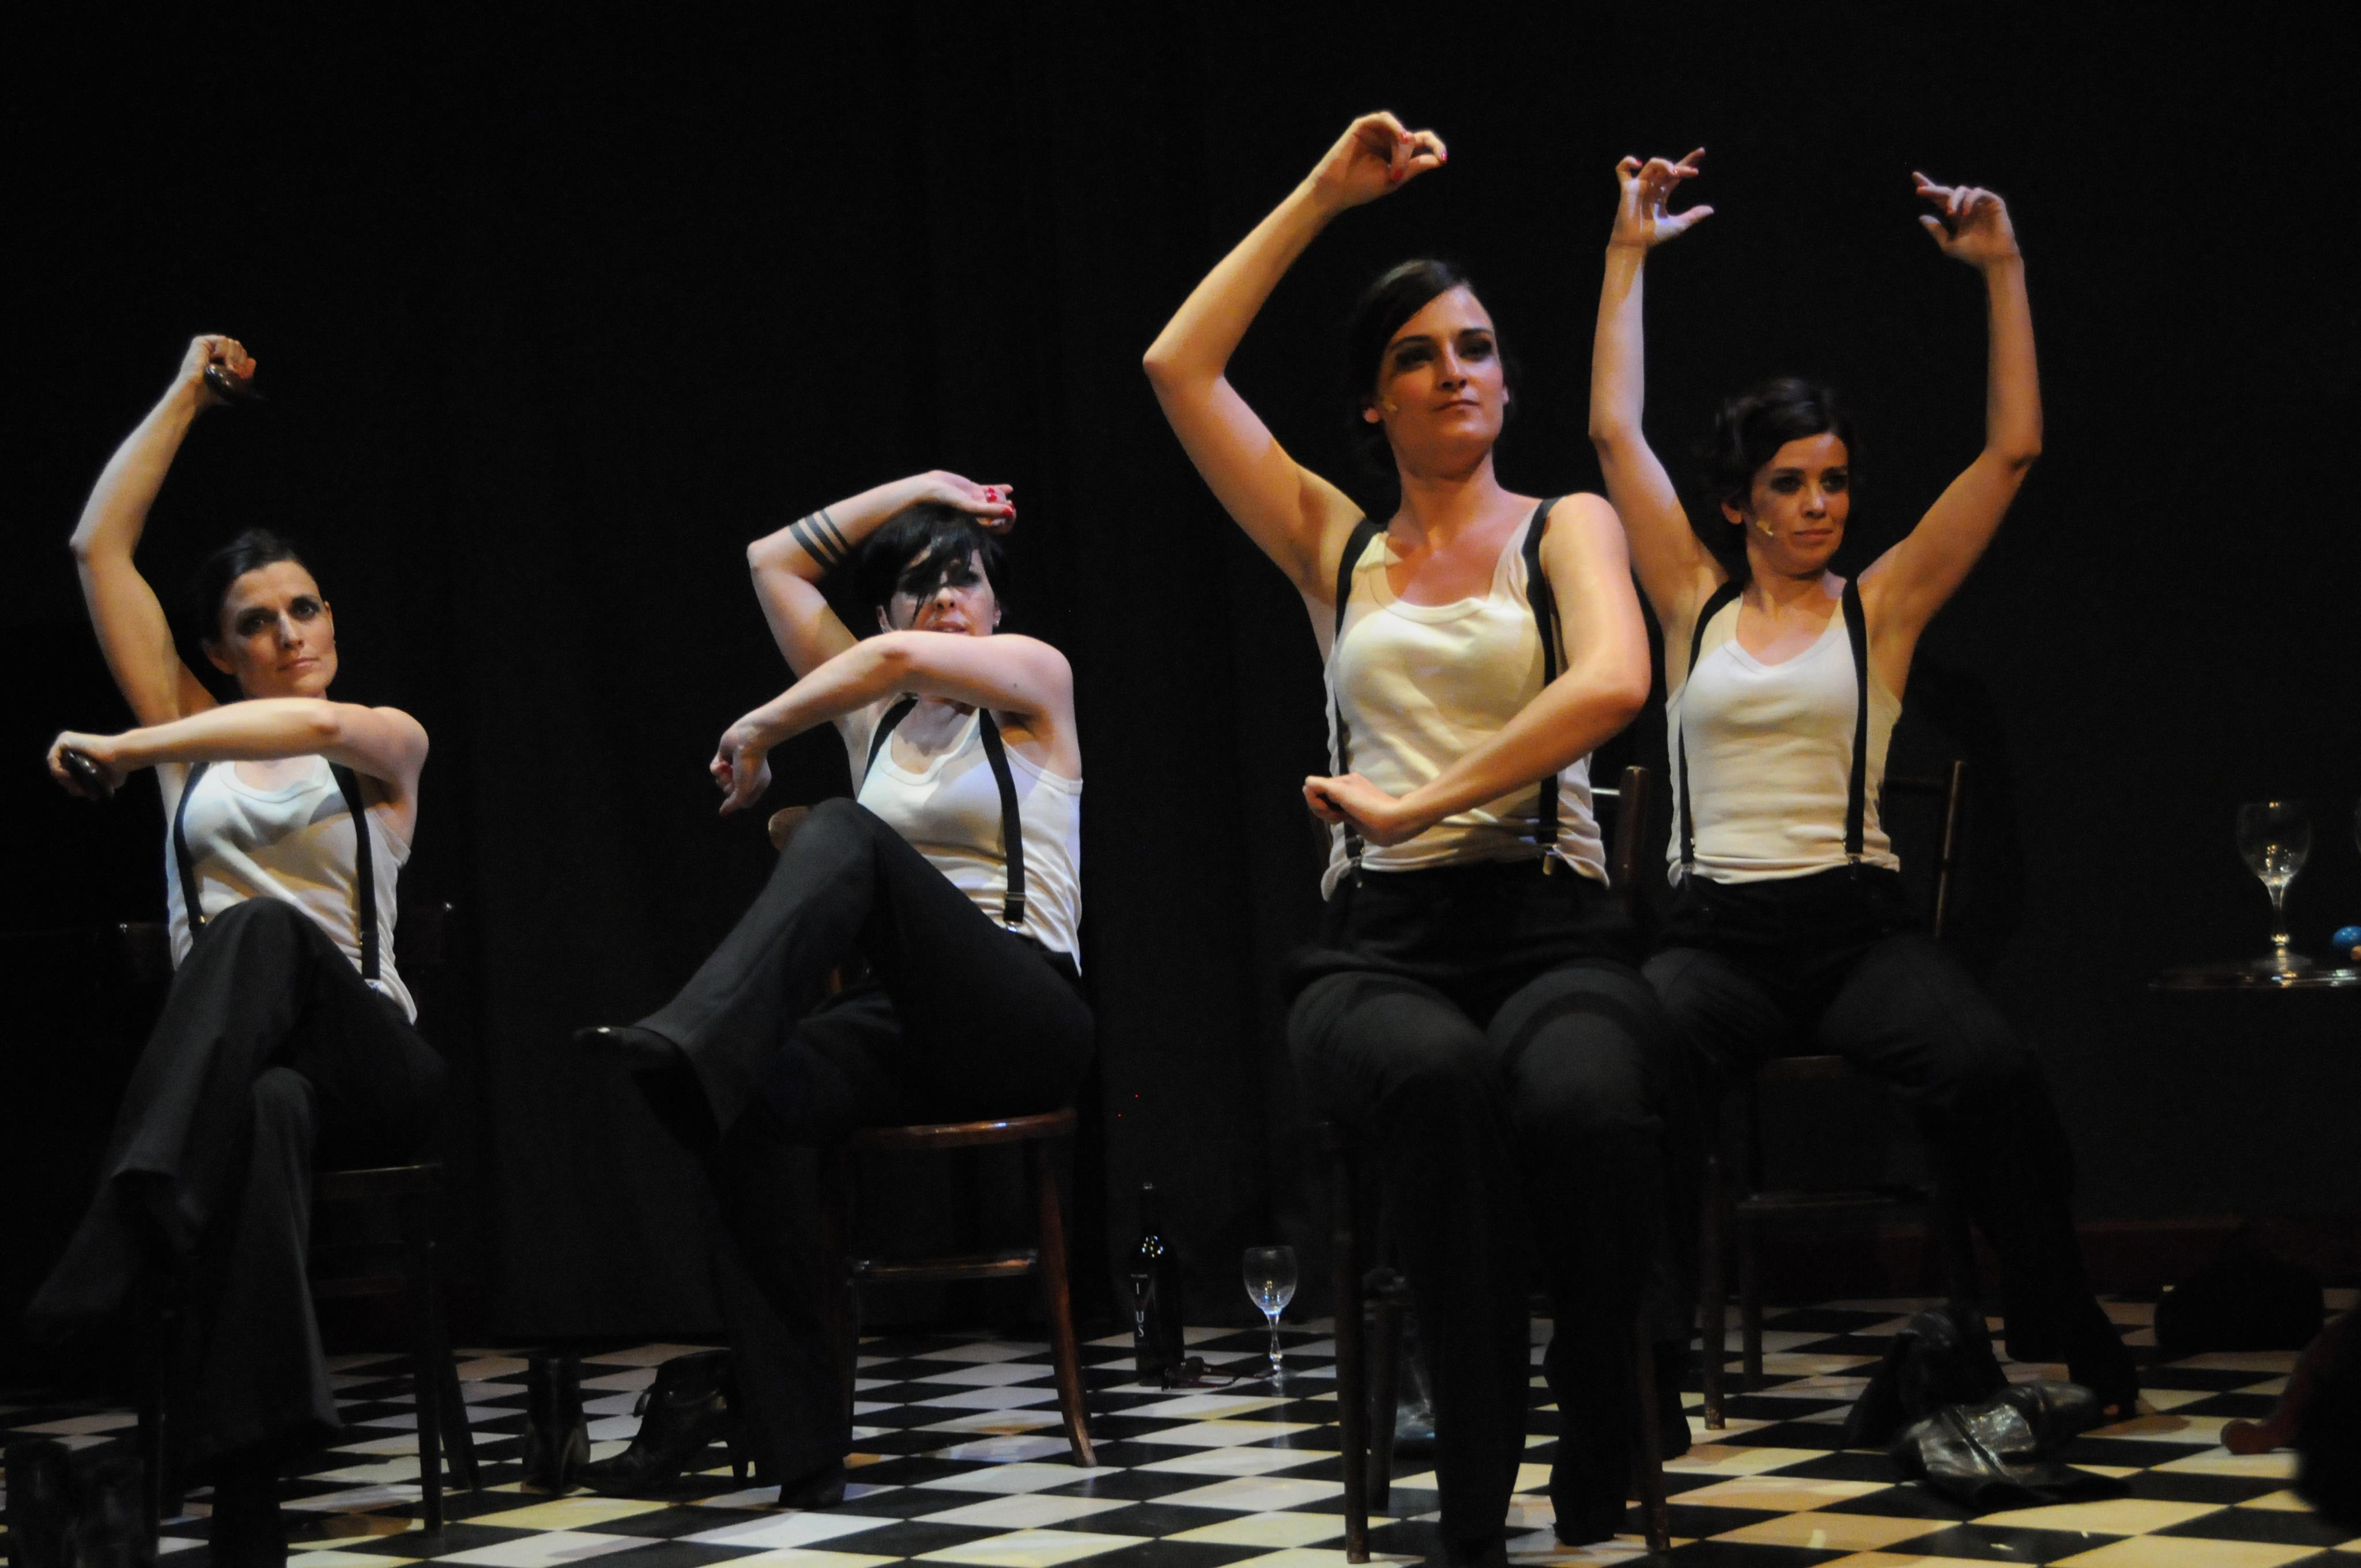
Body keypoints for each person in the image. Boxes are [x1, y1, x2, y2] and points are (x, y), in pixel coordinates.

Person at [1144, 114, 1670, 1559]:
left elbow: (1612, 683)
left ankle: (1602, 1417)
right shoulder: (1337, 545)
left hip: (1550, 926)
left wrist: (1417, 799)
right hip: (1380, 945)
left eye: (1477, 348)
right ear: (1372, 404)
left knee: (1585, 1100)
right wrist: (1322, 194)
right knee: (1438, 1080)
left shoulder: (1564, 526)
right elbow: (1177, 367)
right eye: (1418, 355)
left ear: (1507, 378)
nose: (1456, 372)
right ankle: (1473, 1490)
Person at [1587, 150, 2137, 1412]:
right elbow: (1613, 432)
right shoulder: (1689, 601)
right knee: (1628, 1073)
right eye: (1789, 484)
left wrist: (2000, 267)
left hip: (1849, 935)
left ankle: (2055, 1311)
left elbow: (2011, 450)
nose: (1818, 504)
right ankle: (1650, 1360)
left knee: (1991, 1066)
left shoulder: (1877, 608)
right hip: (1714, 938)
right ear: (1738, 503)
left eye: (1833, 480)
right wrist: (1627, 253)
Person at [576, 471, 1092, 1504]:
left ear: (997, 605)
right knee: (737, 1103)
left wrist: (762, 729)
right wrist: (926, 486)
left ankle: (697, 1031)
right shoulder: (873, 717)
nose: (946, 600)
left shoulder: (1035, 681)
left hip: (1023, 1008)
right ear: (882, 614)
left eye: (966, 579)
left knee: (842, 827)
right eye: (916, 586)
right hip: (901, 1023)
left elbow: (892, 661)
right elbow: (770, 561)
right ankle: (802, 1445)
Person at [31, 336, 445, 1567]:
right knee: (262, 1110)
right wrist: (183, 396)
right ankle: (247, 1500)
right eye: (256, 623)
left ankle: (121, 1217)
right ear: (218, 653)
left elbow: (312, 723)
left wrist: (122, 748)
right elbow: (97, 550)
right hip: (250, 1080)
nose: (290, 632)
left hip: (374, 1061)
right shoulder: (191, 739)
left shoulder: (379, 739)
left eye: (305, 607)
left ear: (332, 619)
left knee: (263, 926)